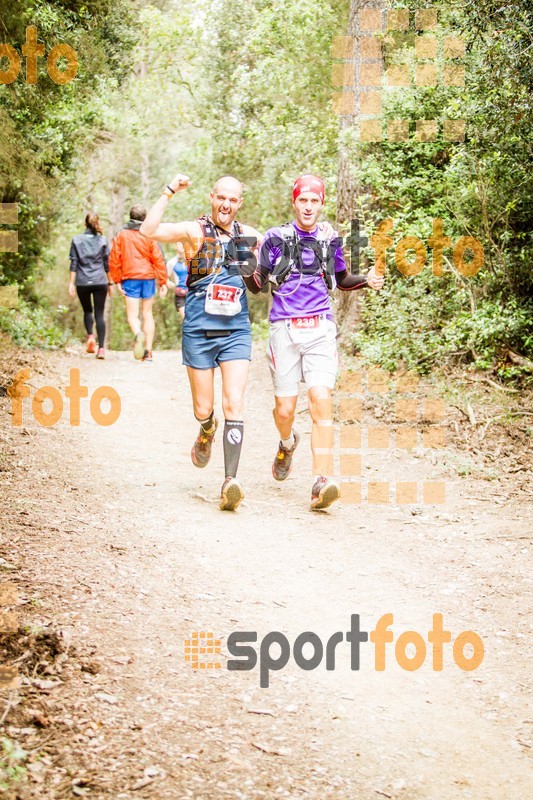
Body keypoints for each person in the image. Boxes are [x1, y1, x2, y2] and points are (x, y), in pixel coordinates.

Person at [242, 174, 384, 511]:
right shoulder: (276, 237)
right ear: (295, 202)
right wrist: (246, 266)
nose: (308, 207)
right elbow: (258, 284)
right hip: (285, 329)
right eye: (303, 200)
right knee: (285, 410)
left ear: (321, 204)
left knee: (320, 400)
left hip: (321, 327)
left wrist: (367, 280)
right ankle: (287, 442)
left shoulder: (330, 238)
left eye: (314, 201)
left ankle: (321, 481)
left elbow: (340, 279)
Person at [141, 174, 262, 511]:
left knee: (234, 403)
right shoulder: (195, 230)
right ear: (212, 197)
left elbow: (283, 253)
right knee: (203, 408)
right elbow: (148, 232)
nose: (226, 204)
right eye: (221, 197)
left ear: (240, 202)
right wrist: (169, 191)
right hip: (199, 329)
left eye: (233, 199)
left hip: (236, 328)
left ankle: (229, 482)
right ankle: (207, 429)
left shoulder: (249, 235)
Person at [108, 205, 168, 362]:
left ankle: (137, 333)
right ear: (145, 218)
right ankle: (148, 351)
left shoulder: (121, 235)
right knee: (147, 314)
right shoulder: (149, 235)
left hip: (130, 278)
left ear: (130, 216)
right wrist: (163, 281)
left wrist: (116, 280)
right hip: (148, 278)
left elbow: (114, 258)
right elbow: (158, 258)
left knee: (133, 316)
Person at [69, 213, 111, 359]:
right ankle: (101, 349)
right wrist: (110, 282)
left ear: (85, 223)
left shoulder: (76, 240)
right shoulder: (103, 240)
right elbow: (107, 264)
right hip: (100, 280)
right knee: (99, 314)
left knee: (88, 311)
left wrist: (71, 284)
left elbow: (74, 263)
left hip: (82, 281)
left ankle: (90, 336)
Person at [166, 242, 188, 319]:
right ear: (175, 246)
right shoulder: (171, 263)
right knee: (185, 319)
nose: (181, 245)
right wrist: (169, 283)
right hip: (180, 293)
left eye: (183, 242)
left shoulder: (193, 260)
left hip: (193, 292)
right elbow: (166, 278)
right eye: (179, 243)